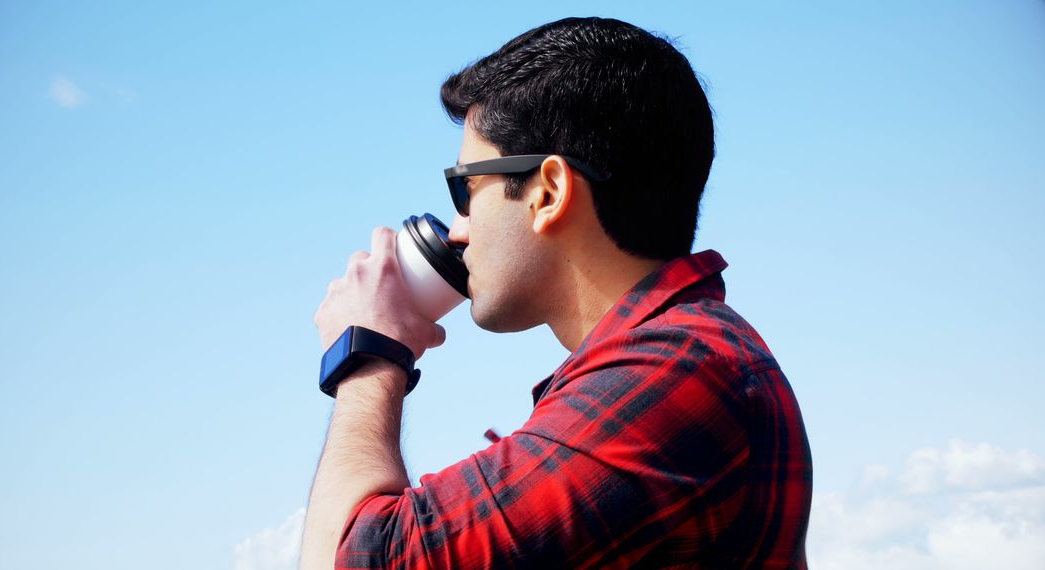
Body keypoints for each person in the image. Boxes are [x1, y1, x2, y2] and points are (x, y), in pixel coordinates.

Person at [300, 16, 812, 569]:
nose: (458, 229)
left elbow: (354, 560)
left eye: (467, 187)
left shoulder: (674, 371)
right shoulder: (678, 361)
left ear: (548, 191)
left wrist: (369, 354)